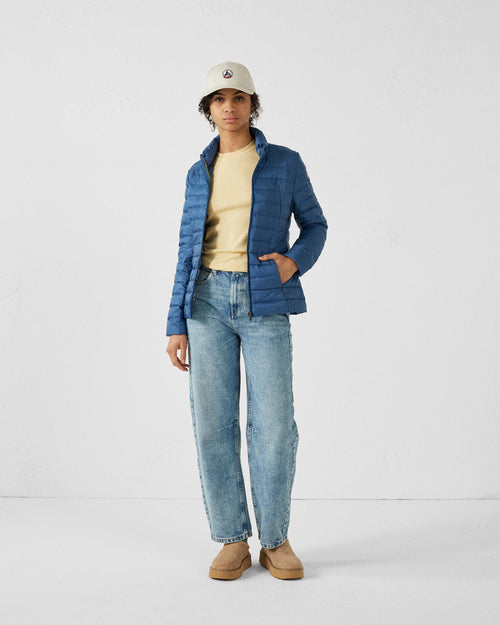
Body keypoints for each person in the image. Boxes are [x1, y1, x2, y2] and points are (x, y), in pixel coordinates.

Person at [166, 61, 328, 580]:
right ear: (208, 109)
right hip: (206, 303)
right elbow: (187, 250)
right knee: (213, 425)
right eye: (219, 99)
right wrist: (175, 322)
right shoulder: (198, 171)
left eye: (239, 98)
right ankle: (232, 539)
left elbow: (316, 225)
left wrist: (292, 262)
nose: (229, 107)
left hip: (265, 302)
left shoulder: (284, 162)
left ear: (252, 105)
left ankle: (275, 541)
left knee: (275, 427)